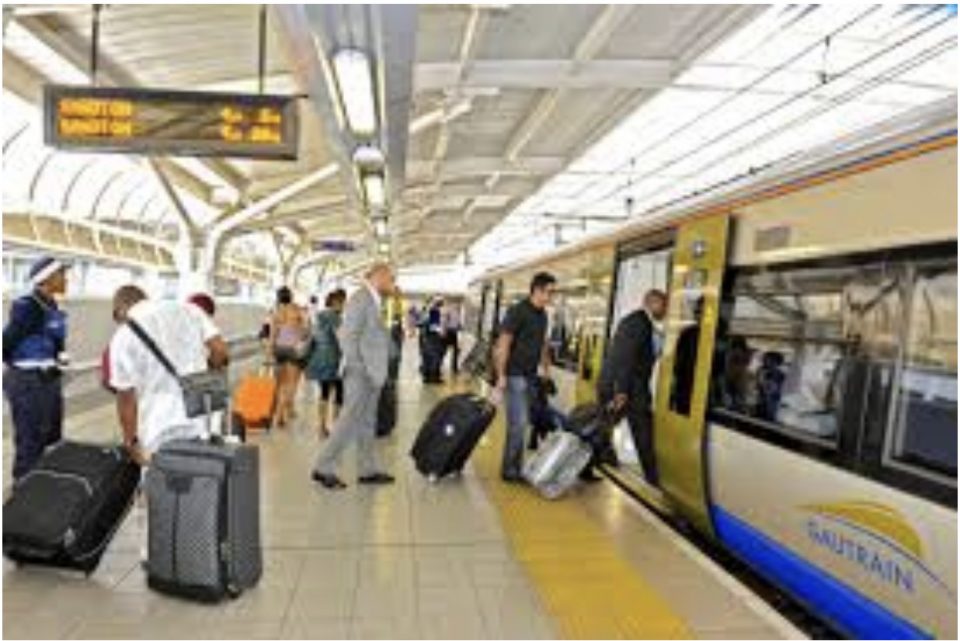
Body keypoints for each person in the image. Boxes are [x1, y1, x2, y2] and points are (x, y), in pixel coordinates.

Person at [107, 285, 229, 465]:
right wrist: (202, 377)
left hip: (158, 427)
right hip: (202, 418)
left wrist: (130, 441)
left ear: (119, 311)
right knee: (206, 474)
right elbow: (221, 352)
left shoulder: (121, 337)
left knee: (164, 478)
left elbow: (126, 398)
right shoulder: (190, 310)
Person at [312, 263, 396, 490]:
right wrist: (360, 367)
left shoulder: (373, 300)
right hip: (362, 373)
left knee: (367, 422)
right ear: (379, 276)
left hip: (372, 373)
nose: (393, 284)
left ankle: (367, 470)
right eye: (391, 278)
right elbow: (348, 337)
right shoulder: (361, 299)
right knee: (348, 421)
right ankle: (323, 467)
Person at [2, 256, 70, 480]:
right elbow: (6, 343)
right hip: (28, 382)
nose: (66, 279)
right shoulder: (27, 306)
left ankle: (40, 484)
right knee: (31, 441)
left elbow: (55, 342)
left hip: (48, 380)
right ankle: (23, 488)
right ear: (47, 278)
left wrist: (58, 358)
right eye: (61, 274)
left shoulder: (52, 305)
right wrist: (25, 367)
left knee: (50, 436)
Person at [597, 289, 667, 485]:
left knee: (605, 426)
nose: (666, 311)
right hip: (628, 387)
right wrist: (621, 391)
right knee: (642, 432)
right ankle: (653, 478)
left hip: (627, 385)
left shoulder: (639, 322)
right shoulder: (638, 324)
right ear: (653, 303)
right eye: (664, 306)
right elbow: (625, 358)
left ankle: (598, 459)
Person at [494, 272, 556, 483]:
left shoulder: (543, 315)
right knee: (518, 423)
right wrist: (501, 375)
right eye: (549, 292)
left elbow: (543, 344)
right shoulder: (517, 311)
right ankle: (510, 470)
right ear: (537, 290)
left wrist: (546, 369)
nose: (551, 296)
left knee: (523, 423)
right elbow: (503, 344)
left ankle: (514, 467)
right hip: (514, 375)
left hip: (530, 376)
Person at [305, 289, 347, 439]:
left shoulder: (319, 315)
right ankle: (336, 426)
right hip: (333, 359)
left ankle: (321, 427)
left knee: (324, 393)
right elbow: (341, 338)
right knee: (339, 392)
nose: (344, 306)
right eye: (343, 302)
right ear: (336, 302)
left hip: (319, 358)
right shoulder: (335, 316)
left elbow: (312, 335)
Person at [269, 286, 310, 428]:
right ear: (291, 296)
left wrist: (270, 351)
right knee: (291, 384)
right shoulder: (296, 309)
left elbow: (273, 334)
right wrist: (299, 333)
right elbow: (305, 330)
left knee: (281, 384)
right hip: (293, 349)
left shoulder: (276, 312)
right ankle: (281, 413)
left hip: (279, 349)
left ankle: (282, 411)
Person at [442, 302, 462, 375]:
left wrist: (459, 327)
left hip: (454, 333)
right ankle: (439, 364)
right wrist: (444, 332)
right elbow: (445, 322)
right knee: (444, 350)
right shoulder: (449, 312)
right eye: (457, 306)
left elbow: (458, 324)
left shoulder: (457, 314)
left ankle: (454, 367)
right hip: (449, 332)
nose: (458, 307)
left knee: (456, 350)